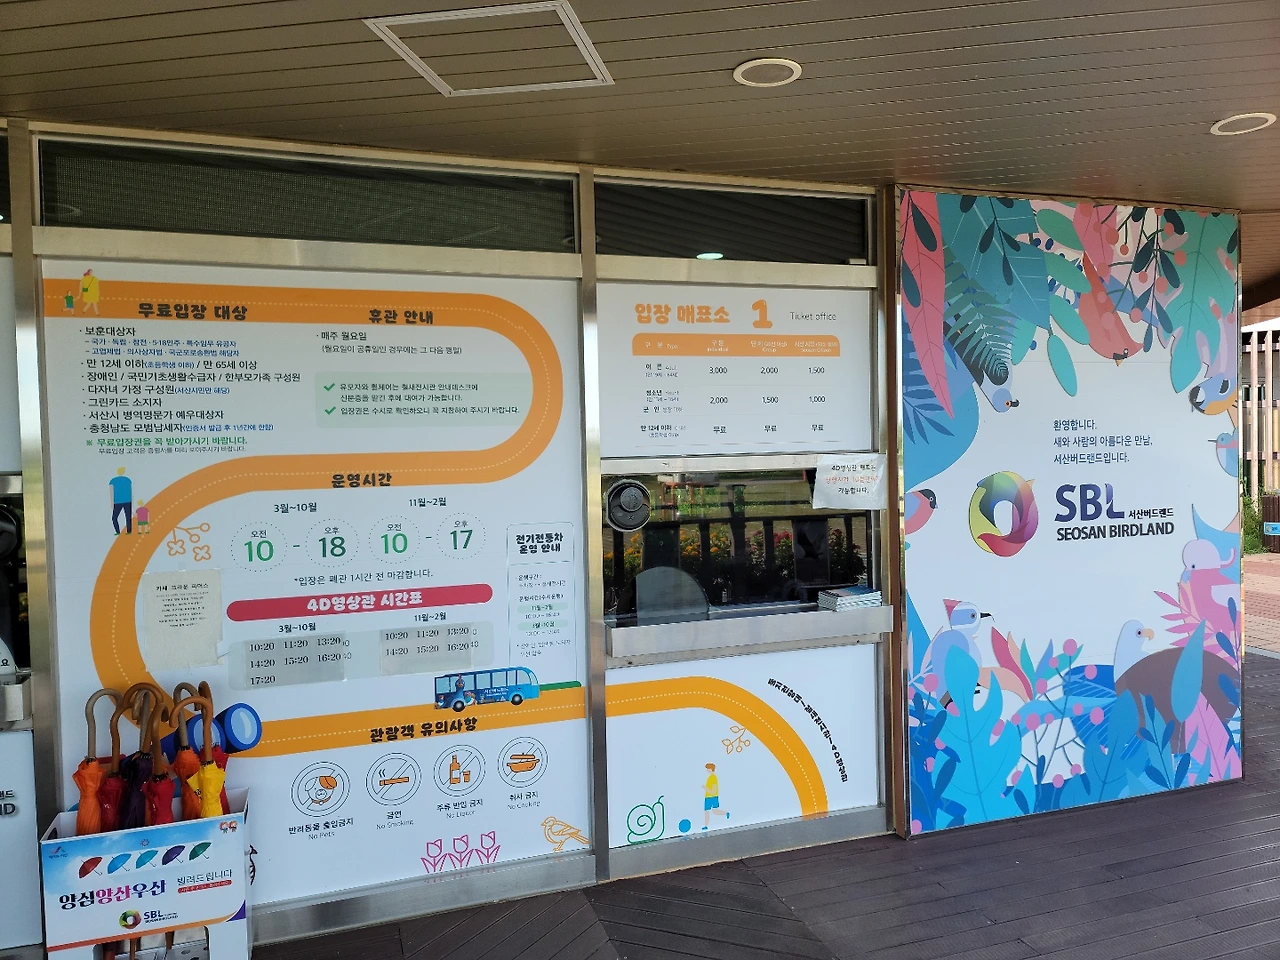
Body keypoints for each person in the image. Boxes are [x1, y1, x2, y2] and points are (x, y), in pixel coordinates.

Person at [702, 762, 730, 830]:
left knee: (710, 811)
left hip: (711, 797)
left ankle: (706, 826)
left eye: (708, 768)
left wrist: (705, 788)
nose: (707, 770)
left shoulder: (713, 778)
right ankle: (706, 825)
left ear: (711, 769)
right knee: (712, 811)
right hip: (709, 796)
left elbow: (713, 791)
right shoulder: (710, 777)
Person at [109, 467, 132, 535]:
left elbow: (111, 492)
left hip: (119, 501)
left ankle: (118, 531)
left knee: (115, 518)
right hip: (126, 501)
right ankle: (128, 531)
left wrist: (112, 503)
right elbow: (131, 492)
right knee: (127, 517)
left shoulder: (113, 480)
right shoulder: (127, 480)